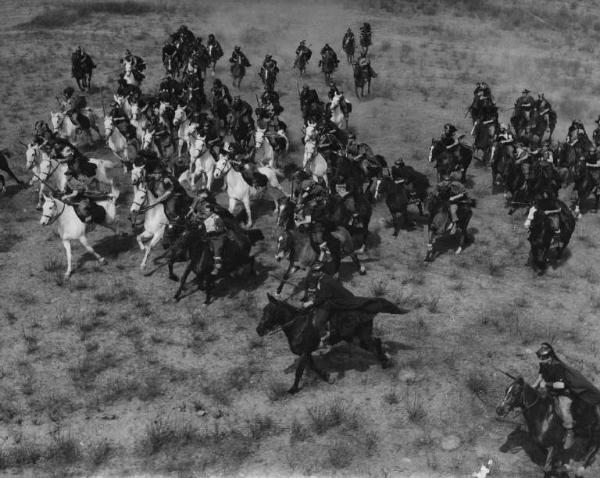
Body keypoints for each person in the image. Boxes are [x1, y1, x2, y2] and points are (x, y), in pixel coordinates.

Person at [532, 343, 600, 450]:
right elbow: (539, 378)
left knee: (563, 409)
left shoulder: (557, 367)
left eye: (543, 357)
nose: (540, 359)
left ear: (550, 357)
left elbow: (561, 385)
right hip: (550, 391)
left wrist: (547, 384)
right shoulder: (543, 365)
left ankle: (570, 432)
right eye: (539, 357)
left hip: (563, 393)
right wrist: (533, 387)